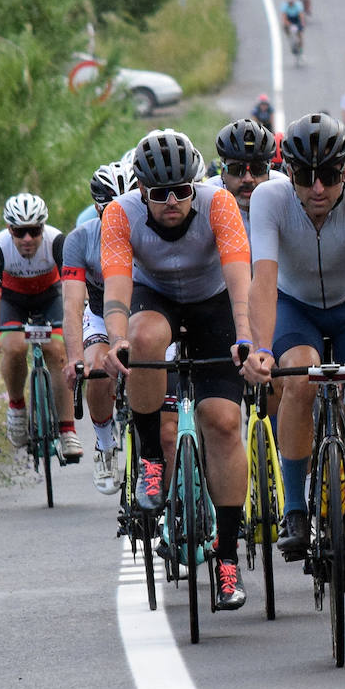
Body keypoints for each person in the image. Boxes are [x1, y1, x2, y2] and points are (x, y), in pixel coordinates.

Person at [246, 114, 345, 604]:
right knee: (297, 381)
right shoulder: (268, 198)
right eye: (304, 176)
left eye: (330, 176)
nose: (318, 188)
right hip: (295, 306)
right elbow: (264, 279)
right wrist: (260, 348)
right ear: (287, 173)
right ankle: (294, 507)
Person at [97, 129, 257, 611]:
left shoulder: (219, 203)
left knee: (224, 423)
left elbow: (238, 276)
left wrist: (245, 335)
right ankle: (150, 457)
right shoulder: (119, 213)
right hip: (155, 298)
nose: (172, 202)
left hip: (214, 305)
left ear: (196, 185)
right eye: (160, 194)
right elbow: (118, 287)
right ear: (141, 190)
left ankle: (227, 559)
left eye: (182, 191)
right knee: (143, 339)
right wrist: (117, 337)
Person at [0, 193, 81, 462]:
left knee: (58, 351)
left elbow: (72, 291)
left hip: (50, 298)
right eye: (20, 232)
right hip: (12, 302)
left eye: (34, 231)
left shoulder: (58, 241)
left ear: (43, 229)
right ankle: (16, 407)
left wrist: (77, 329)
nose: (27, 239)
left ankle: (67, 429)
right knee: (13, 347)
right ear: (8, 229)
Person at [62, 163, 136, 493]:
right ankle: (105, 447)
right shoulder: (80, 240)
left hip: (143, 310)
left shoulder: (150, 233)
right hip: (98, 312)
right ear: (96, 208)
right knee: (96, 370)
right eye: (111, 209)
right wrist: (75, 359)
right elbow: (72, 305)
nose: (120, 215)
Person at [208, 117, 286, 226]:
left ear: (270, 170)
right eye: (236, 169)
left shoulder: (286, 195)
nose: (248, 179)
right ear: (222, 171)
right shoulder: (207, 200)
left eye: (258, 169)